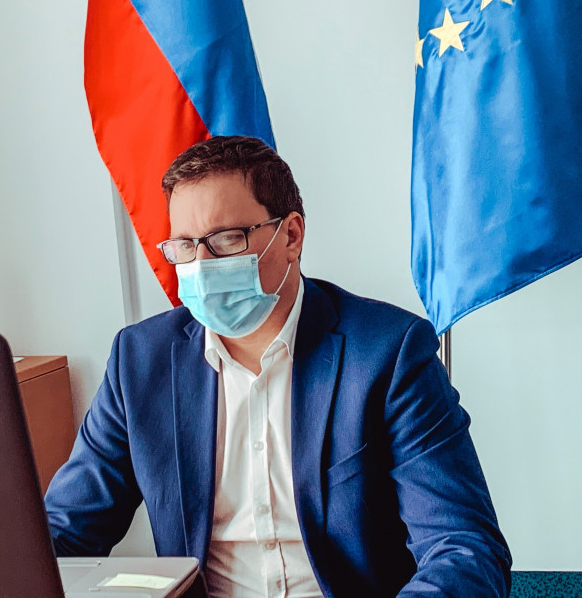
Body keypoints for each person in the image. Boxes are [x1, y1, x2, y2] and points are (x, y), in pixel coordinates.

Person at [44, 136, 511, 598]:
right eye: (184, 246)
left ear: (291, 236)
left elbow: (463, 546)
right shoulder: (140, 360)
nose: (201, 266)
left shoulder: (387, 352)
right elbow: (66, 530)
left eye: (227, 239)